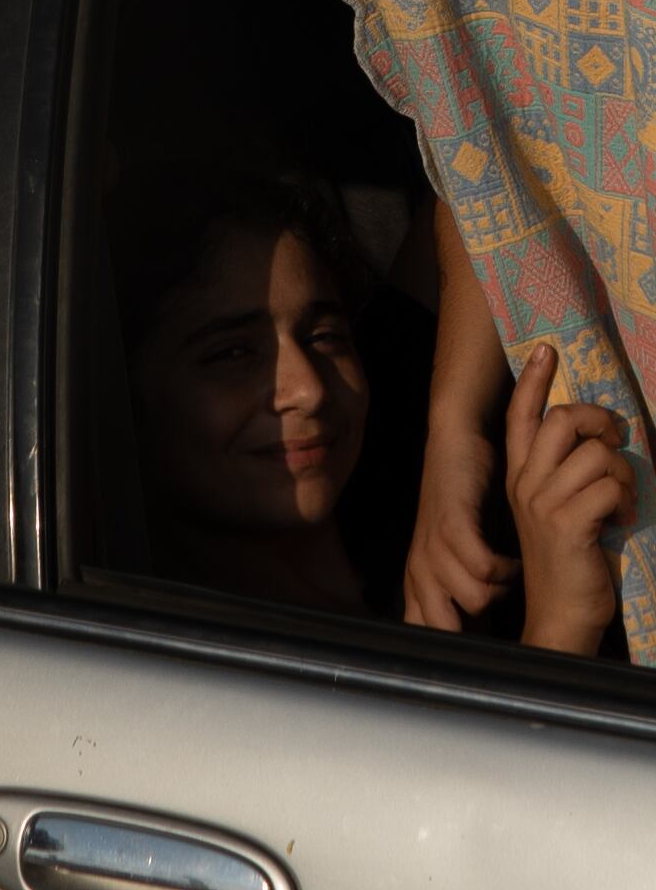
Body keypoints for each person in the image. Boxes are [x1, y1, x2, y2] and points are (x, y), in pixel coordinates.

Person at [113, 165, 629, 654]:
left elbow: (468, 170)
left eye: (324, 336)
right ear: (126, 392)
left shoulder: (394, 440)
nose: (309, 389)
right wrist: (561, 624)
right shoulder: (180, 660)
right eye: (232, 354)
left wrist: (454, 431)